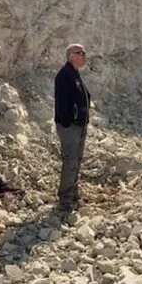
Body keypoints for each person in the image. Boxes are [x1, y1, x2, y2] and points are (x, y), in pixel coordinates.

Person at [54, 43, 91, 210]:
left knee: (77, 160)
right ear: (71, 55)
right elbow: (62, 102)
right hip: (71, 127)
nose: (84, 55)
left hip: (79, 125)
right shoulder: (64, 75)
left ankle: (73, 195)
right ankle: (65, 200)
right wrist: (69, 122)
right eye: (80, 52)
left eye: (84, 53)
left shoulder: (74, 74)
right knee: (70, 161)